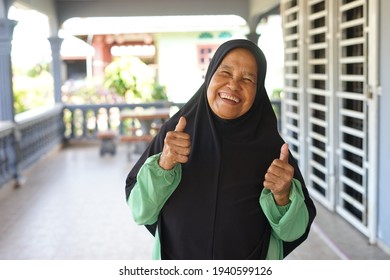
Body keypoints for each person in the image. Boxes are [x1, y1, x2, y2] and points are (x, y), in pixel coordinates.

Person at [125, 39, 316, 260]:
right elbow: (140, 211)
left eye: (247, 79)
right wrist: (164, 165)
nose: (234, 85)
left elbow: (293, 232)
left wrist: (283, 196)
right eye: (225, 73)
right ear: (210, 76)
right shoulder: (175, 134)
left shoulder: (271, 149)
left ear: (258, 89)